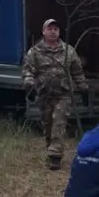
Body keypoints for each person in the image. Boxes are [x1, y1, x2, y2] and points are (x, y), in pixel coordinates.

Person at [22, 18, 89, 170]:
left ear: (59, 32)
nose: (53, 31)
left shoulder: (68, 51)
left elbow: (77, 71)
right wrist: (29, 85)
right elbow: (28, 70)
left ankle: (55, 156)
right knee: (48, 125)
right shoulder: (35, 51)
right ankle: (50, 149)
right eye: (50, 29)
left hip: (63, 94)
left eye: (56, 29)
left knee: (59, 122)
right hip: (45, 94)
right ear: (43, 31)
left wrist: (83, 88)